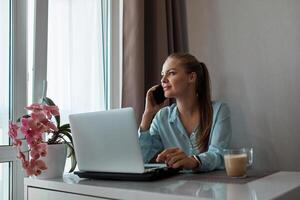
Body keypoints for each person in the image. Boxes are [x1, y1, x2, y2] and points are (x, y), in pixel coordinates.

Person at [139, 53, 231, 172]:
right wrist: (147, 114)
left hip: (212, 186)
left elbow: (219, 155)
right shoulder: (162, 117)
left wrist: (193, 161)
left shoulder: (219, 111)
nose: (163, 80)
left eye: (171, 73)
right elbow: (142, 159)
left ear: (191, 77)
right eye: (162, 74)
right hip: (176, 187)